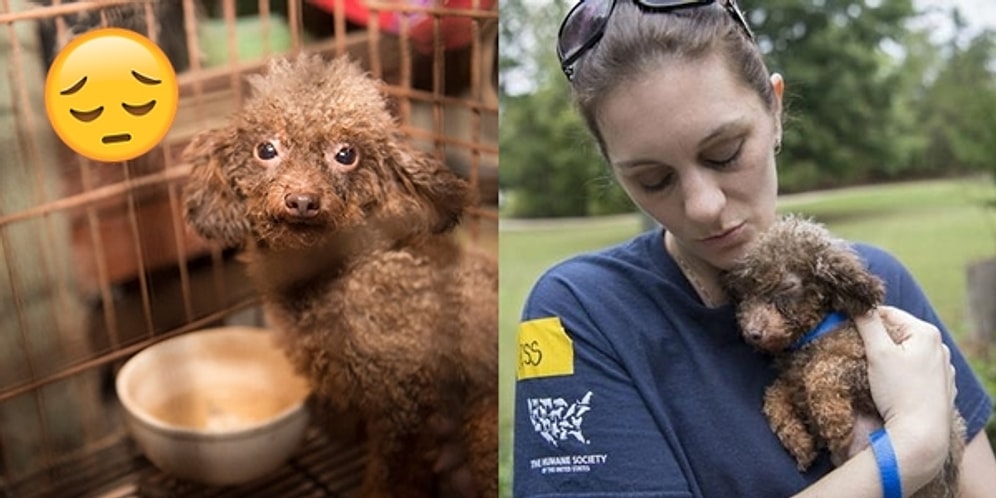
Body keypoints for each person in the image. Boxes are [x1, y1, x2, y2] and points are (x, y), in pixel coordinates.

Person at [512, 0, 996, 496]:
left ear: (776, 109)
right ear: (613, 167)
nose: (703, 206)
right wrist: (910, 451)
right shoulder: (577, 314)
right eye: (653, 180)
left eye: (725, 153)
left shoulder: (876, 280)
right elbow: (917, 450)